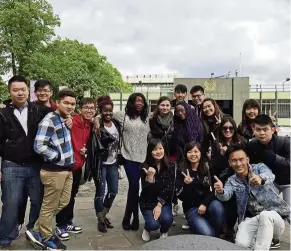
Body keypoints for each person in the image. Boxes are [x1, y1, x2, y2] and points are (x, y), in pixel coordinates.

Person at [0, 76, 53, 249]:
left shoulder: (39, 110)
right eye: (15, 90)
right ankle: (5, 237)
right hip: (12, 165)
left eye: (23, 89)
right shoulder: (3, 113)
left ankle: (33, 231)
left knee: (38, 201)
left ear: (28, 91)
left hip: (36, 165)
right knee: (10, 202)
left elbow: (60, 115)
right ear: (10, 92)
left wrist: (69, 118)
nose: (20, 93)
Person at [26, 89, 76, 250]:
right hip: (54, 171)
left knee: (62, 202)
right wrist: (57, 157)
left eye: (73, 104)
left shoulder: (64, 118)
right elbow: (39, 145)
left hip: (66, 170)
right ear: (58, 102)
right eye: (66, 103)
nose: (70, 106)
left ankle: (35, 230)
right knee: (49, 206)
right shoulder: (50, 120)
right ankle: (46, 237)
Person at [215, 143, 290, 250]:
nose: (238, 163)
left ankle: (265, 245)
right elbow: (225, 196)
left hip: (275, 220)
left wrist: (260, 178)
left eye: (241, 159)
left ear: (247, 159)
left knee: (265, 215)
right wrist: (220, 191)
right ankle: (261, 240)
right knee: (241, 245)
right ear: (230, 163)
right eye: (234, 160)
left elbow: (270, 176)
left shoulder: (259, 167)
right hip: (252, 220)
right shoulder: (232, 180)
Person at [18, 79, 57, 236]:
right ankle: (18, 223)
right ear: (35, 92)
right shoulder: (30, 108)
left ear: (51, 92)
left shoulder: (56, 109)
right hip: (31, 157)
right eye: (39, 90)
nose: (42, 93)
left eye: (45, 90)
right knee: (22, 196)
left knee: (40, 198)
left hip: (48, 160)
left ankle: (33, 227)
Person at [55, 98, 96, 240]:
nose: (89, 110)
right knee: (63, 197)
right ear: (80, 109)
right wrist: (68, 116)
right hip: (66, 166)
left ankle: (68, 222)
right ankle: (60, 225)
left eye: (92, 108)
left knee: (71, 196)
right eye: (86, 107)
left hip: (78, 166)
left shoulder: (90, 123)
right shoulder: (72, 121)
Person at [113, 93, 150, 231]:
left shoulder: (147, 118)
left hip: (144, 158)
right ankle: (131, 217)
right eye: (137, 101)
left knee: (142, 189)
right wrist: (98, 120)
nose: (140, 103)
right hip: (128, 157)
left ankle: (133, 216)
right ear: (131, 102)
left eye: (142, 101)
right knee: (134, 187)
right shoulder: (123, 115)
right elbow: (104, 114)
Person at [176, 141, 225, 237]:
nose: (193, 154)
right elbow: (180, 196)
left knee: (218, 208)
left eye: (196, 151)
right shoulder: (182, 169)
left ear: (200, 153)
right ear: (186, 154)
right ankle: (209, 233)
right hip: (192, 208)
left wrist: (204, 203)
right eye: (189, 151)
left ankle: (216, 235)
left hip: (208, 203)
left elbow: (213, 190)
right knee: (207, 234)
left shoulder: (207, 166)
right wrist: (186, 185)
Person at [211, 116, 245, 241]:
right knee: (223, 204)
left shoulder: (241, 142)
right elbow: (213, 164)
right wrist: (220, 154)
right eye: (225, 128)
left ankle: (231, 227)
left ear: (235, 129)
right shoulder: (217, 143)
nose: (228, 131)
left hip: (239, 179)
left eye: (231, 128)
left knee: (235, 205)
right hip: (222, 179)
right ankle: (223, 226)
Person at [247, 114, 290, 205]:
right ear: (254, 130)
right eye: (258, 129)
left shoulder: (284, 142)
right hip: (267, 183)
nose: (262, 133)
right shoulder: (252, 145)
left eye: (265, 129)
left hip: (287, 182)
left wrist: (273, 157)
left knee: (289, 211)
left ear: (272, 129)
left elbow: (289, 165)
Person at [92, 96, 120, 233]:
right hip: (101, 164)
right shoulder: (96, 124)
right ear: (100, 111)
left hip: (113, 163)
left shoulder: (115, 122)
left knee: (113, 190)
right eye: (105, 111)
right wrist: (96, 118)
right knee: (100, 192)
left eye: (110, 110)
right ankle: (100, 219)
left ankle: (104, 214)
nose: (108, 113)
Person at [139, 138, 175, 242]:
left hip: (164, 201)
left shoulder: (171, 166)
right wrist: (150, 179)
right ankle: (147, 228)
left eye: (160, 148)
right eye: (155, 149)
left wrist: (159, 205)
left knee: (167, 219)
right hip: (148, 202)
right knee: (153, 224)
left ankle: (164, 231)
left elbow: (169, 187)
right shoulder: (144, 167)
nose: (158, 151)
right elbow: (146, 192)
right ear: (150, 152)